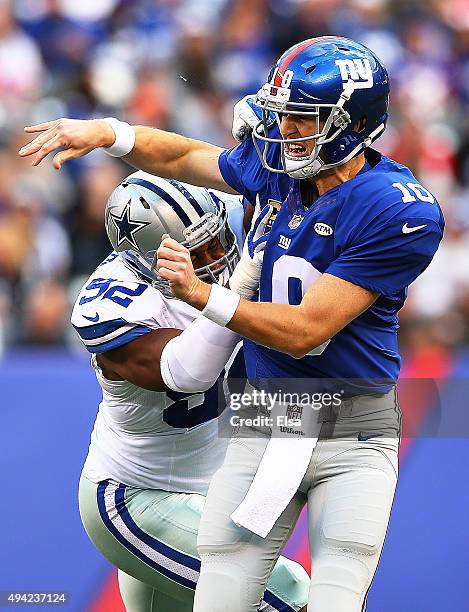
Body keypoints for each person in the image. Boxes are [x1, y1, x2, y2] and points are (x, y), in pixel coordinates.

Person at [20, 36, 444, 612]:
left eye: (300, 118)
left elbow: (303, 331)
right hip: (228, 437)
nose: (284, 130)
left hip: (342, 419)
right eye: (283, 114)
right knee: (248, 599)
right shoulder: (116, 295)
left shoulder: (398, 208)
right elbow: (181, 158)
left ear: (351, 125)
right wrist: (110, 134)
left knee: (328, 599)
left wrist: (208, 292)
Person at [71, 171, 310, 612]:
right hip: (137, 500)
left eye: (219, 240)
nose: (218, 256)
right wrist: (236, 290)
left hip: (207, 494)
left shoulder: (233, 225)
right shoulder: (114, 304)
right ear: (146, 260)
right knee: (289, 595)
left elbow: (263, 179)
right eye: (199, 252)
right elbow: (188, 372)